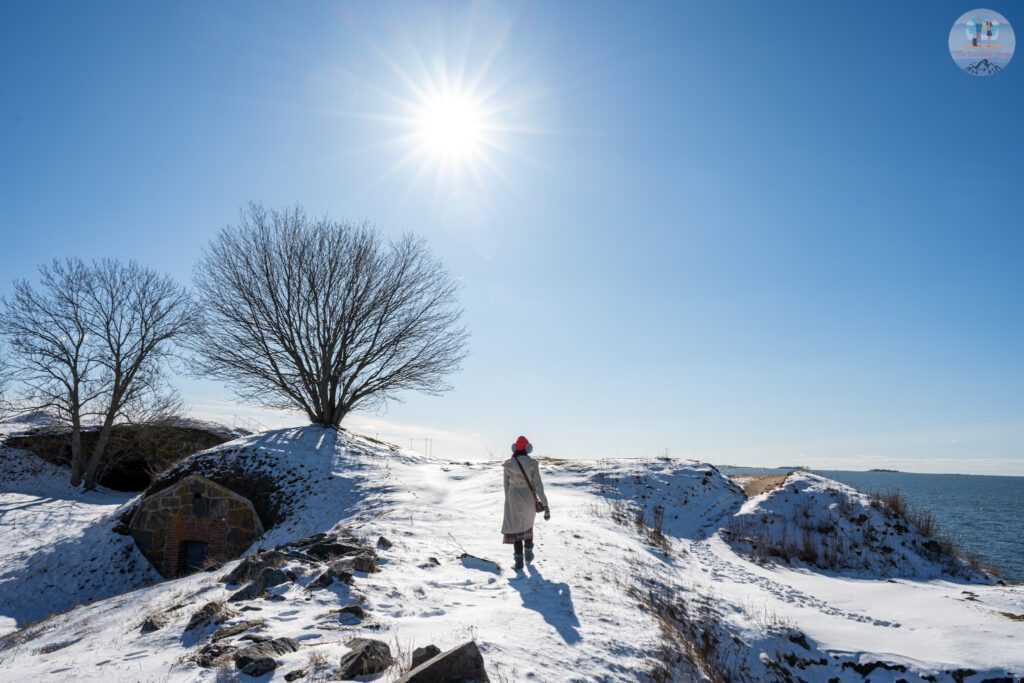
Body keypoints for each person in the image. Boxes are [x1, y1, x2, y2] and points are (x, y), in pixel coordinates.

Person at [502, 435, 550, 572]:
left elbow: (505, 485)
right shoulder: (532, 463)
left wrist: (509, 500)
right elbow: (538, 485)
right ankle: (529, 555)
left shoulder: (508, 464)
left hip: (513, 498)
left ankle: (518, 564)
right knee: (527, 526)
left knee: (516, 529)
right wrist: (545, 504)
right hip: (529, 498)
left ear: (515, 448)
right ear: (528, 449)